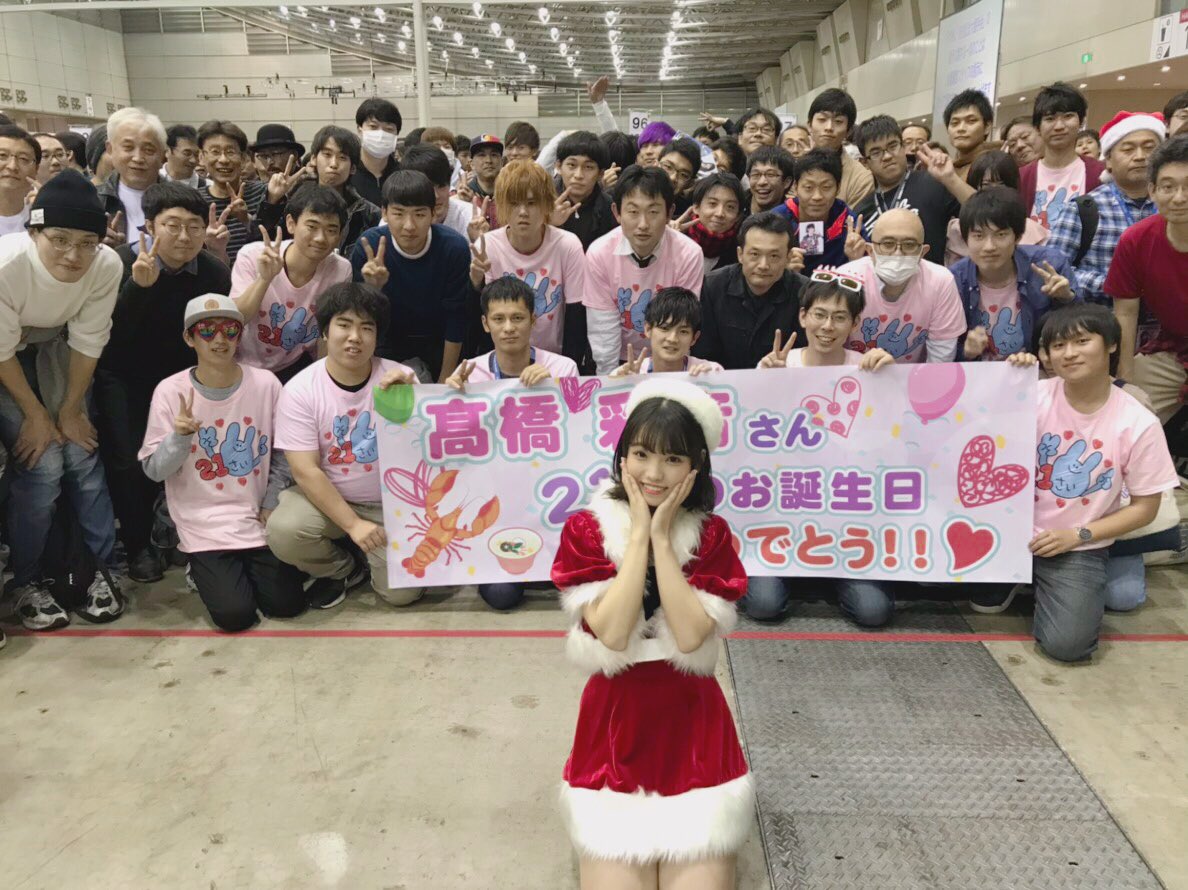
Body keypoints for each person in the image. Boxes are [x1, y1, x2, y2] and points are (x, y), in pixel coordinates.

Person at [551, 377, 753, 887]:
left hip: (694, 733)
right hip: (613, 731)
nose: (654, 474)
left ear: (696, 465)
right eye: (641, 454)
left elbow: (689, 638)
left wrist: (663, 539)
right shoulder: (587, 530)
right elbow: (613, 635)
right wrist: (639, 533)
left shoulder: (711, 535)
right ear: (623, 455)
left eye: (672, 459)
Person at [969, 305, 1179, 663]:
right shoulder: (1029, 395)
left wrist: (1078, 535)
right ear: (1045, 354)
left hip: (1076, 543)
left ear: (1111, 344)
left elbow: (1146, 508)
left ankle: (1050, 583)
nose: (1069, 353)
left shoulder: (1137, 421)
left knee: (1068, 646)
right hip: (1006, 532)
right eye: (1058, 345)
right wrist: (1006, 378)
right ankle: (1025, 581)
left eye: (1082, 341)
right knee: (945, 584)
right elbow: (966, 423)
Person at [0, 170, 124, 629]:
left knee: (80, 454)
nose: (74, 255)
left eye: (87, 242)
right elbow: (2, 350)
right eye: (59, 240)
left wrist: (70, 409)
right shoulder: (6, 266)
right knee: (42, 464)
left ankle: (104, 570)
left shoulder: (106, 265)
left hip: (55, 347)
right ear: (34, 232)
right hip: (6, 358)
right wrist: (36, 415)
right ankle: (26, 580)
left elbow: (89, 340)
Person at [94, 182, 233, 583]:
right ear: (150, 226)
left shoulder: (213, 272)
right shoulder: (117, 264)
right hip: (123, 375)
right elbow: (109, 338)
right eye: (172, 225)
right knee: (129, 460)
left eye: (194, 226)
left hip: (182, 379)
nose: (184, 236)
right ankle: (138, 545)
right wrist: (139, 288)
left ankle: (183, 533)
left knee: (191, 453)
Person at [140, 294, 304, 632]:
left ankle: (235, 571)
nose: (219, 339)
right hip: (204, 522)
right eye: (207, 330)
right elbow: (154, 470)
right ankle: (199, 568)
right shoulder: (170, 391)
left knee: (287, 606)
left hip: (256, 514)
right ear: (189, 338)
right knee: (235, 616)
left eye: (230, 330)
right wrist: (179, 438)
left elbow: (285, 450)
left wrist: (272, 499)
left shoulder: (265, 384)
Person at [266, 281, 420, 609]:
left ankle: (371, 552)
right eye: (344, 325)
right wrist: (353, 524)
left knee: (402, 595)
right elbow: (305, 471)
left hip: (390, 504)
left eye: (367, 327)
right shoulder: (300, 390)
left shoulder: (400, 378)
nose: (355, 336)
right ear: (325, 331)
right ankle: (345, 569)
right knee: (285, 530)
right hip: (329, 502)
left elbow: (423, 452)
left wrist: (412, 402)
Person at [750, 273, 894, 623]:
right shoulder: (778, 364)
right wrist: (765, 384)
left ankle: (827, 577)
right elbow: (751, 444)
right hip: (783, 516)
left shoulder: (867, 369)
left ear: (855, 324)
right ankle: (803, 575)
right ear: (803, 316)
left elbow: (893, 438)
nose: (828, 326)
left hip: (848, 521)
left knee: (873, 611)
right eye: (819, 314)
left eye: (840, 317)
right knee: (763, 606)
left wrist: (891, 377)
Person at [446, 277, 578, 611]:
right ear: (485, 323)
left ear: (534, 320)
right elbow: (451, 449)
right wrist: (450, 399)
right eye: (499, 319)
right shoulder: (469, 374)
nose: (508, 328)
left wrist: (555, 389)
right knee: (502, 597)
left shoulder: (562, 368)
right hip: (495, 503)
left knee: (569, 579)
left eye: (517, 318)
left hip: (549, 498)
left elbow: (580, 435)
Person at [351, 170, 470, 383]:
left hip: (440, 339)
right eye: (399, 213)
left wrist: (445, 378)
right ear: (384, 212)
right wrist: (372, 288)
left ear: (433, 214)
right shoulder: (369, 247)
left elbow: (457, 316)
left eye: (419, 214)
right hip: (387, 338)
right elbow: (361, 317)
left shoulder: (454, 248)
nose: (409, 225)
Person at [584, 165, 703, 374]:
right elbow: (603, 332)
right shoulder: (600, 253)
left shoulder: (688, 254)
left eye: (653, 212)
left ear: (669, 213)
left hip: (667, 359)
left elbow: (681, 324)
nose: (643, 224)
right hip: (619, 358)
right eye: (633, 212)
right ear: (617, 212)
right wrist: (611, 380)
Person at [1106, 134, 1188, 424]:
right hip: (1174, 352)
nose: (1179, 197)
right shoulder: (1136, 240)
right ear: (1152, 190)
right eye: (1168, 186)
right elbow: (1126, 313)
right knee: (1121, 416)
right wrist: (1125, 381)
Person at [470, 159, 587, 360]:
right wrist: (475, 282)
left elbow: (576, 317)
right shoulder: (487, 245)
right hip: (503, 361)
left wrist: (569, 368)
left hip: (554, 361)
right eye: (514, 204)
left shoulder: (568, 245)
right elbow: (481, 321)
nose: (523, 212)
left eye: (532, 203)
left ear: (547, 205)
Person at [234, 185, 353, 381]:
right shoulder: (253, 255)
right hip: (242, 365)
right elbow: (237, 319)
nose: (321, 238)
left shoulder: (341, 269)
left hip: (294, 368)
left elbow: (328, 333)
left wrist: (321, 382)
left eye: (331, 230)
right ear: (291, 223)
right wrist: (264, 279)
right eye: (312, 226)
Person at [1047, 111, 1165, 306]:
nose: (1140, 156)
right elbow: (1053, 269)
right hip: (1102, 319)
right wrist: (1117, 284)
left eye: (1149, 148)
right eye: (1128, 149)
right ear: (1108, 161)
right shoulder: (1083, 210)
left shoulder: (1176, 205)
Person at [951, 188, 1077, 362]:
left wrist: (1067, 298)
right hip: (977, 374)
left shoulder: (1048, 266)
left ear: (1017, 237)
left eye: (1000, 235)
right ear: (966, 239)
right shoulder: (954, 280)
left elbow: (1079, 329)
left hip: (1036, 369)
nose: (989, 247)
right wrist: (966, 352)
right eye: (979, 236)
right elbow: (942, 350)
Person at [836, 208, 967, 363]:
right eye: (888, 244)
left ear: (922, 252)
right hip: (854, 373)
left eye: (909, 245)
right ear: (870, 250)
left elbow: (940, 360)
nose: (898, 253)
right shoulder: (844, 280)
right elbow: (831, 347)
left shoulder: (941, 282)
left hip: (917, 376)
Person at [851, 115, 972, 264]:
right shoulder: (861, 212)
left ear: (903, 147)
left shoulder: (934, 183)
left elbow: (984, 213)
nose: (887, 156)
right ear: (865, 163)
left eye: (893, 146)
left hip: (931, 277)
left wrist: (952, 180)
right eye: (876, 152)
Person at [694, 212, 807, 370]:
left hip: (783, 379)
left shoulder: (804, 293)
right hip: (723, 379)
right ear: (740, 254)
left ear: (788, 258)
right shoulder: (713, 286)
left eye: (774, 256)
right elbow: (703, 352)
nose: (763, 265)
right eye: (755, 254)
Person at [256, 125, 381, 257]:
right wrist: (273, 200)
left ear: (353, 168)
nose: (333, 164)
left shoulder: (368, 214)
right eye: (327, 154)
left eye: (342, 157)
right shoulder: (293, 204)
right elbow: (260, 241)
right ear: (313, 159)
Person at [1018, 83, 1106, 227]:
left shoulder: (1100, 173)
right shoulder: (1021, 177)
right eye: (1050, 118)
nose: (1059, 126)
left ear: (1081, 121)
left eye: (1068, 116)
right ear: (1037, 127)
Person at [945, 151, 1050, 265]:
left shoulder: (1031, 229)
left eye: (1001, 185)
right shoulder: (957, 230)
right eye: (986, 185)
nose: (994, 192)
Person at [773, 148, 864, 275]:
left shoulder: (850, 225)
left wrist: (856, 261)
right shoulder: (775, 221)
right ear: (796, 187)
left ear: (838, 188)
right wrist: (783, 272)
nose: (817, 196)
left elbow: (869, 274)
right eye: (808, 187)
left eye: (826, 187)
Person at [197, 119, 268, 265]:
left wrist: (247, 220)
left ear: (243, 158)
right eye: (215, 152)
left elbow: (274, 239)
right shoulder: (194, 200)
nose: (223, 159)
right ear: (201, 157)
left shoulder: (264, 193)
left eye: (230, 152)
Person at [611, 286, 723, 376]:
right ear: (648, 329)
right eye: (664, 328)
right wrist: (627, 386)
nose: (672, 339)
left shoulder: (710, 372)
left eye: (683, 331)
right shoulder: (625, 374)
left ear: (694, 338)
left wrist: (708, 384)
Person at [97, 107, 167, 246]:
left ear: (163, 155)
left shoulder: (185, 201)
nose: (138, 158)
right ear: (110, 149)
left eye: (148, 150)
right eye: (128, 147)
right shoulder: (94, 200)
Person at [806, 87, 874, 207]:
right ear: (809, 125)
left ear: (849, 131)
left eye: (838, 121)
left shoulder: (861, 178)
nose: (829, 127)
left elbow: (853, 217)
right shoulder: (793, 167)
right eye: (822, 119)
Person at [553, 130, 616, 250]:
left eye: (588, 167)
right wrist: (549, 225)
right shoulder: (542, 202)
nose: (578, 175)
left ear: (600, 174)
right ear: (559, 167)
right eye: (572, 165)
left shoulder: (610, 208)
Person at [399, 143, 474, 241]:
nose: (436, 196)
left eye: (441, 186)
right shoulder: (394, 220)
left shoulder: (470, 217)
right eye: (427, 188)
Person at [679, 171, 745, 275]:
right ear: (696, 207)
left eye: (730, 207)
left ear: (738, 216)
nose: (720, 213)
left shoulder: (740, 252)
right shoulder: (674, 234)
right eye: (713, 204)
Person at [352, 97, 402, 207]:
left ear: (396, 135)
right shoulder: (347, 173)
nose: (381, 135)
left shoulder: (404, 175)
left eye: (389, 129)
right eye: (373, 127)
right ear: (359, 130)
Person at [943, 89, 995, 181]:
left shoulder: (996, 164)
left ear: (987, 127)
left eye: (971, 121)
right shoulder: (947, 167)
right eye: (955, 123)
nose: (961, 128)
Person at [0, 125, 39, 236]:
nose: (12, 166)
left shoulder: (42, 215)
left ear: (36, 169)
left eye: (23, 159)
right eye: (2, 155)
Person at [744, 145, 795, 216]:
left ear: (787, 182)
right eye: (756, 174)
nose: (762, 182)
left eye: (770, 175)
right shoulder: (736, 206)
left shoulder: (793, 216)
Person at [658, 138, 701, 215]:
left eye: (683, 175)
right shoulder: (634, 190)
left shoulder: (686, 214)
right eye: (668, 167)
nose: (672, 178)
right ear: (655, 164)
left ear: (690, 183)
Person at [162, 124, 201, 188]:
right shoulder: (151, 181)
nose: (193, 160)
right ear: (167, 151)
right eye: (187, 153)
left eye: (196, 155)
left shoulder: (208, 187)